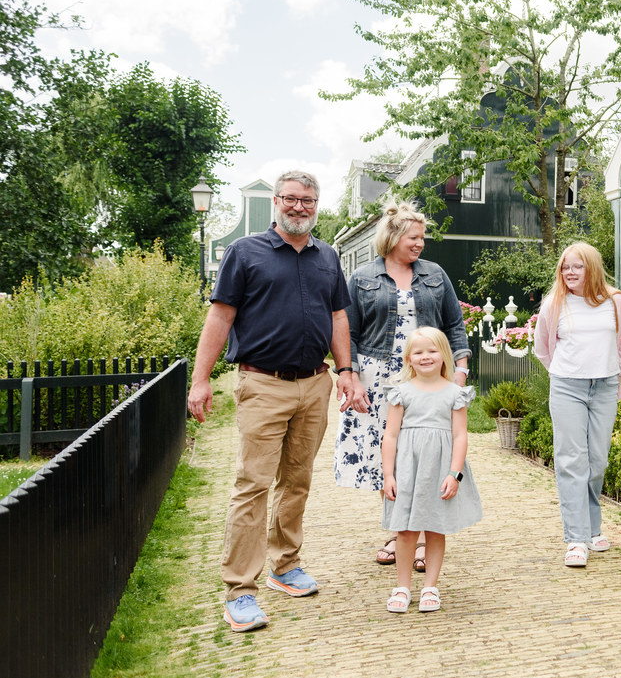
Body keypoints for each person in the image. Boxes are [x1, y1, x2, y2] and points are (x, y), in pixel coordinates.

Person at [187, 170, 366, 633]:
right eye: (291, 199)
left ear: (316, 204)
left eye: (308, 200)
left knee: (298, 480)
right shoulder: (244, 252)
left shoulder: (329, 256)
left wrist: (345, 372)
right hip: (262, 385)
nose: (299, 207)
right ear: (276, 203)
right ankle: (239, 591)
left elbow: (337, 316)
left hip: (315, 384)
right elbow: (220, 316)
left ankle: (285, 566)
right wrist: (200, 380)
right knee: (253, 485)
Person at [337, 201, 471, 571]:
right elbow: (347, 330)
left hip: (429, 373)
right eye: (414, 237)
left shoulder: (435, 274)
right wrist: (348, 374)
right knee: (391, 454)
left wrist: (459, 370)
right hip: (378, 376)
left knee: (430, 448)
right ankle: (401, 534)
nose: (420, 244)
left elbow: (454, 324)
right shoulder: (363, 277)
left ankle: (427, 535)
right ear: (393, 237)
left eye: (422, 238)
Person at [533, 241, 621, 568]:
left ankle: (592, 527)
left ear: (591, 268)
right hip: (567, 388)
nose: (570, 272)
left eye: (577, 266)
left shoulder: (616, 302)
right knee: (571, 460)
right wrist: (564, 373)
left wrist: (616, 375)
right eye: (565, 266)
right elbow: (542, 348)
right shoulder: (554, 303)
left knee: (597, 460)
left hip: (605, 386)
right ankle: (576, 538)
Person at [380, 326, 482, 613]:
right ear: (409, 359)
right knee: (406, 530)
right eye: (419, 352)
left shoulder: (454, 393)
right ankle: (402, 586)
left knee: (436, 528)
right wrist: (388, 474)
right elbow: (390, 436)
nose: (426, 356)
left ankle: (430, 587)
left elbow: (460, 436)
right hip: (409, 470)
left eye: (432, 350)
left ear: (444, 356)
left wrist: (455, 473)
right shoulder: (400, 393)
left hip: (440, 469)